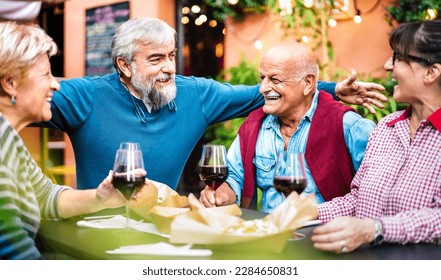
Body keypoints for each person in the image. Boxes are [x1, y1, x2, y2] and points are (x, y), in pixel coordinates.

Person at [40, 17, 386, 191]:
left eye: (172, 56)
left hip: (163, 235)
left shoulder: (194, 95)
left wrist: (332, 89)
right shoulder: (85, 96)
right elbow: (24, 102)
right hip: (90, 237)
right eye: (156, 59)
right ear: (124, 66)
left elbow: (260, 92)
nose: (169, 69)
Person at [311, 19, 441, 253]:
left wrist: (375, 229)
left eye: (399, 58)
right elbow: (358, 200)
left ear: (432, 72)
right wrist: (312, 211)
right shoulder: (385, 128)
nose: (388, 65)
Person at [0, 22, 128, 260]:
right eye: (45, 74)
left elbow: (47, 197)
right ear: (10, 83)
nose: (55, 84)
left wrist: (101, 197)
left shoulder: (9, 140)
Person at [199, 42, 376, 212]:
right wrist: (221, 194)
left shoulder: (349, 126)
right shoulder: (254, 125)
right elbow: (234, 177)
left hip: (327, 237)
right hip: (269, 235)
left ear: (307, 83)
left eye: (275, 79)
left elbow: (372, 194)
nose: (263, 88)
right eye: (262, 78)